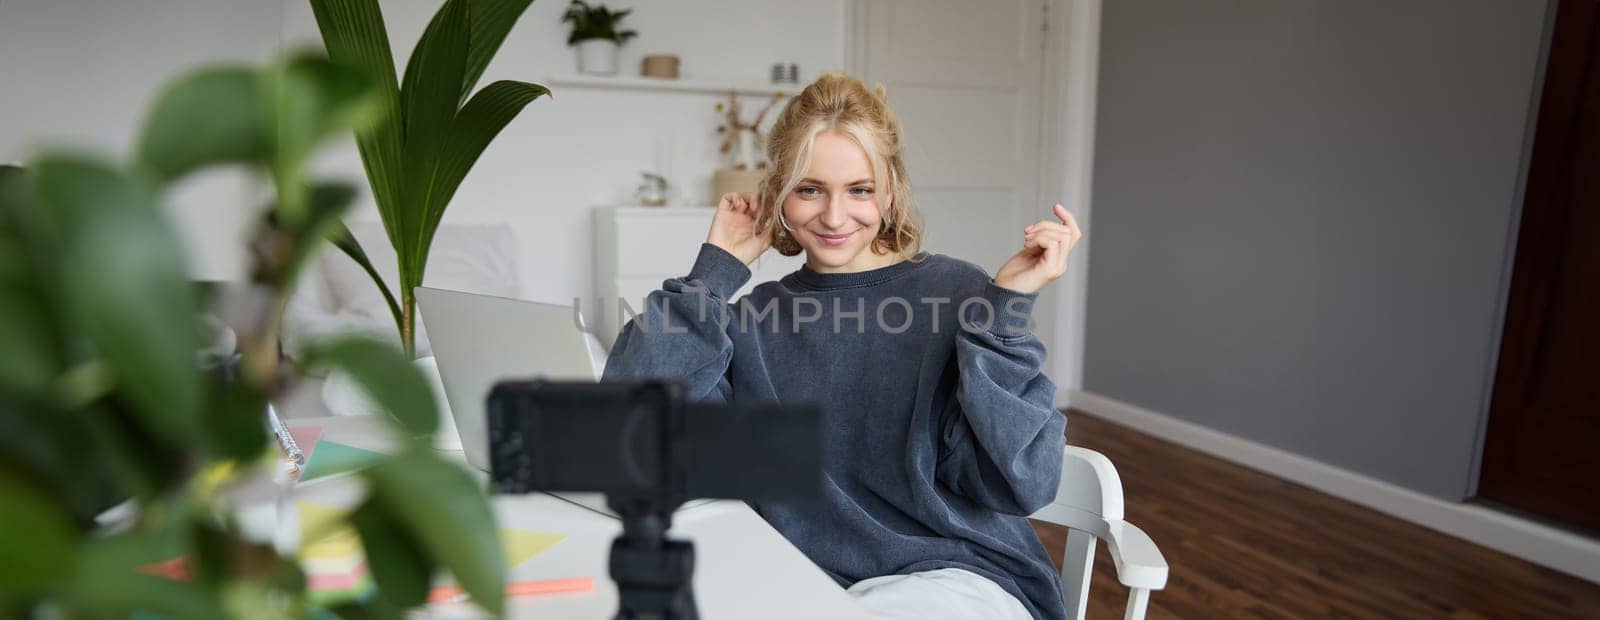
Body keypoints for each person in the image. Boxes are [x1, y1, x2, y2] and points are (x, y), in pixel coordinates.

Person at [602, 71, 1081, 620]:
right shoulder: (748, 321)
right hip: (803, 583)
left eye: (860, 189)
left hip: (959, 576)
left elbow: (1025, 479)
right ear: (777, 192)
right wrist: (714, 274)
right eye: (809, 189)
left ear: (891, 190)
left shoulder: (961, 294)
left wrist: (1006, 316)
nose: (834, 217)